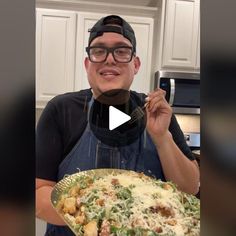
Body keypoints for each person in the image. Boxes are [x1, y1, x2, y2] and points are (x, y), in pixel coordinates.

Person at [36, 15, 200, 235]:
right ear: (87, 64)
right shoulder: (61, 109)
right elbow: (37, 193)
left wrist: (162, 137)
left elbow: (189, 189)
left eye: (122, 51)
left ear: (136, 64)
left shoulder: (156, 110)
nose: (110, 59)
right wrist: (103, 216)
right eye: (99, 51)